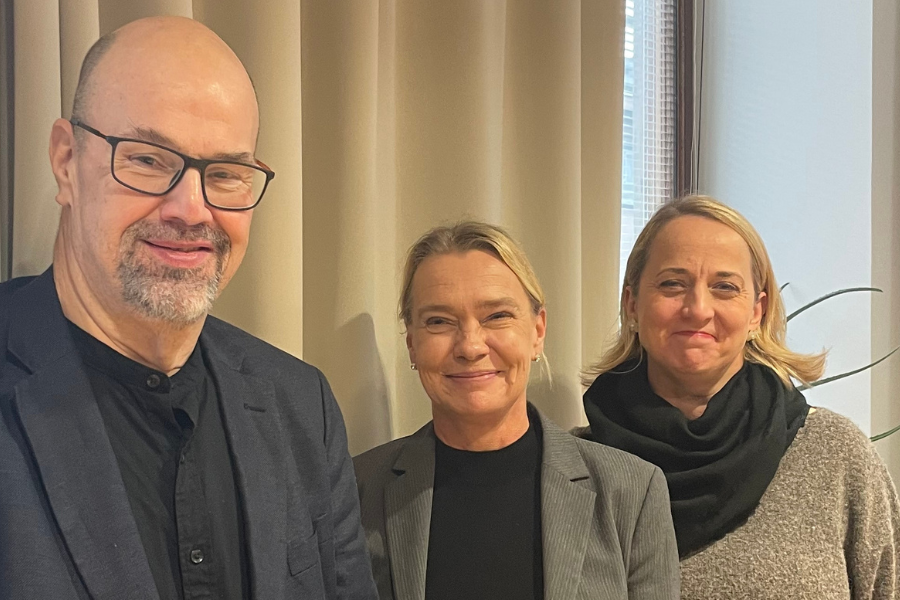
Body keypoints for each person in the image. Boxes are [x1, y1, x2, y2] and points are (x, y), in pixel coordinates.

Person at [0, 16, 376, 600]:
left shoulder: (302, 406)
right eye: (148, 159)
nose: (192, 210)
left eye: (225, 173)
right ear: (66, 161)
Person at [580, 195, 900, 599]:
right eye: (672, 284)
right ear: (632, 303)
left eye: (724, 287)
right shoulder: (576, 470)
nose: (698, 309)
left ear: (756, 312)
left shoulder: (834, 455)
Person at [353, 221, 680, 600]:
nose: (470, 346)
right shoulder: (358, 490)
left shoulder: (630, 492)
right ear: (412, 344)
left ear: (537, 331)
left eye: (496, 316)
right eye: (439, 321)